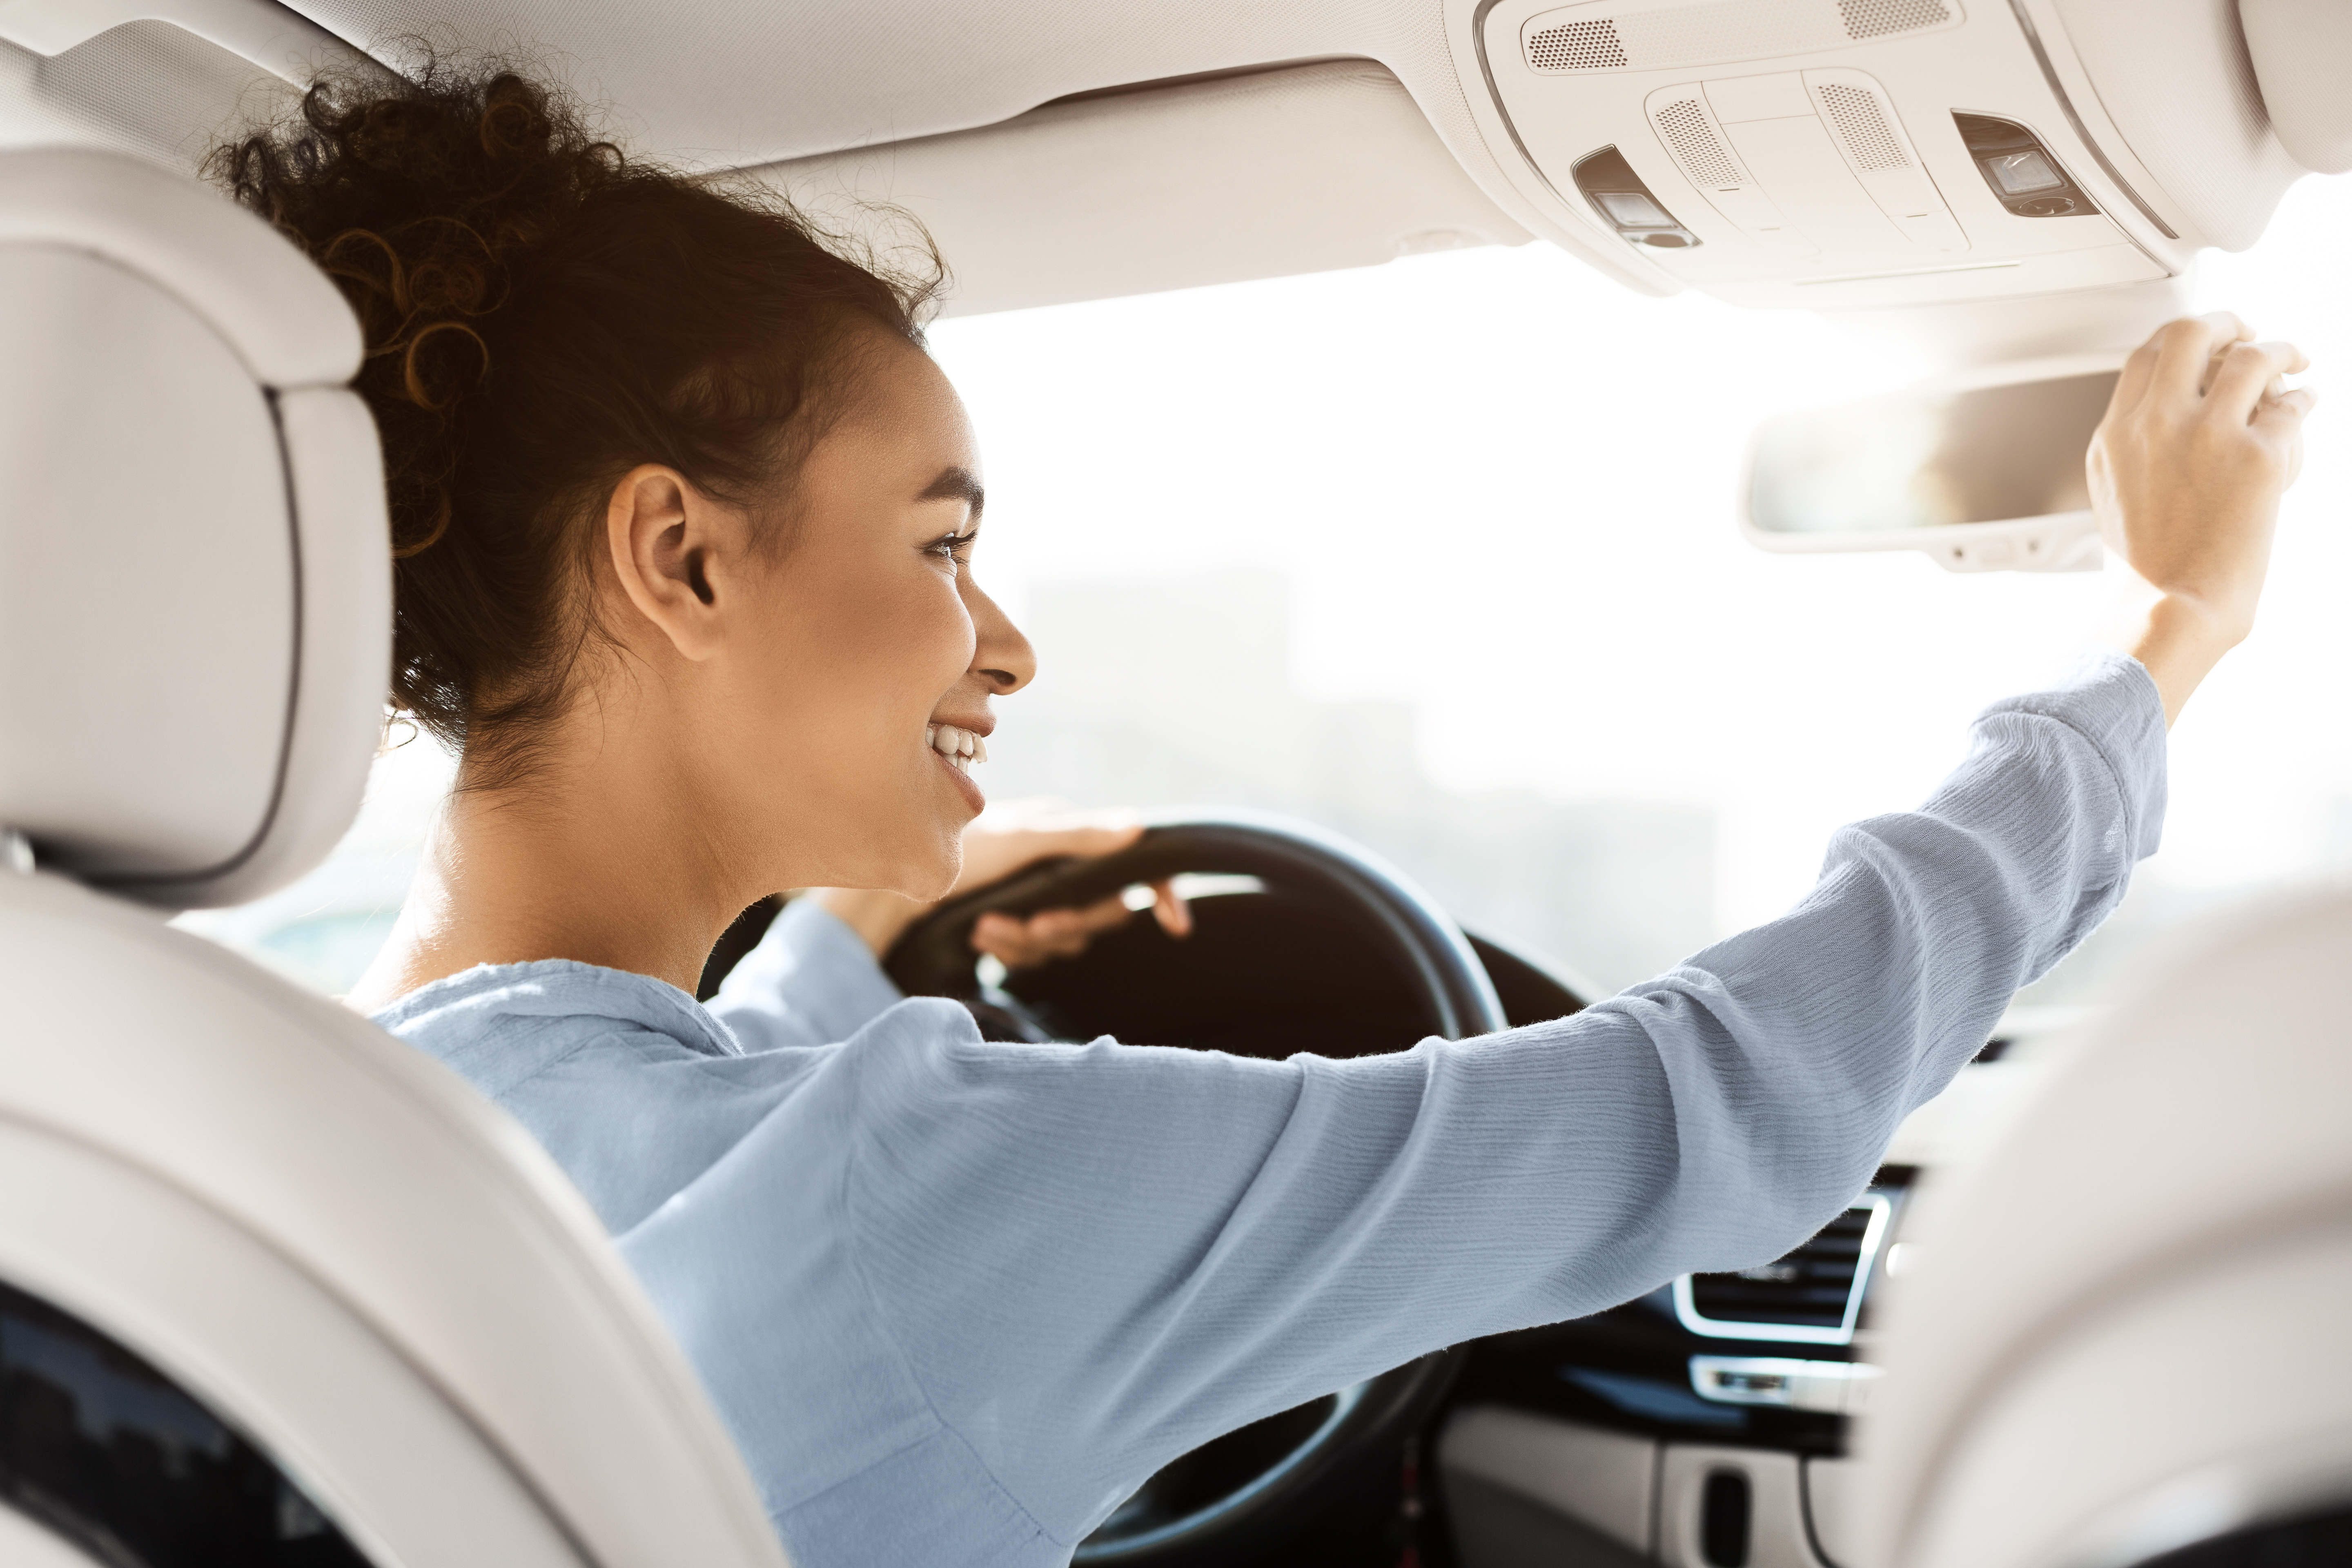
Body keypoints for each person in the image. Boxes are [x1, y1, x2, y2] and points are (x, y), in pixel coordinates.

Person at [222, 65, 2312, 1568]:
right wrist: (2159, 644)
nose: (1004, 644)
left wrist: (851, 956)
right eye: (944, 543)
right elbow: (1721, 1112)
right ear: (678, 562)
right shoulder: (924, 1184)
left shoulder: (291, 1127)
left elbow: (715, 1204)